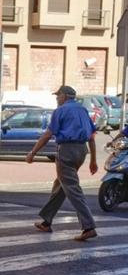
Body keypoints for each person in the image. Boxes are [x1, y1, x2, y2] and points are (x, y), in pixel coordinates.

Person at [26, 85, 98, 242]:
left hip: (66, 151)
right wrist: (93, 160)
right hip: (81, 151)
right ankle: (47, 220)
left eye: (58, 96)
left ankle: (88, 226)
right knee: (61, 185)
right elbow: (92, 137)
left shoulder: (60, 111)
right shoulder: (83, 110)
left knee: (72, 188)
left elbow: (47, 134)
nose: (57, 98)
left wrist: (33, 153)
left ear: (64, 96)